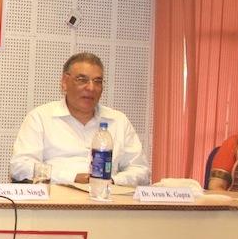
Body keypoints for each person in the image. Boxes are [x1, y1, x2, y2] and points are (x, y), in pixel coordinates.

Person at [11, 52, 150, 186]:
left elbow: (141, 171)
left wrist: (111, 181)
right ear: (65, 82)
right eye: (82, 80)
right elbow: (20, 166)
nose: (91, 88)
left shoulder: (118, 121)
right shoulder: (40, 118)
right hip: (56, 202)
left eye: (97, 81)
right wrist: (73, 178)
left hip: (107, 202)